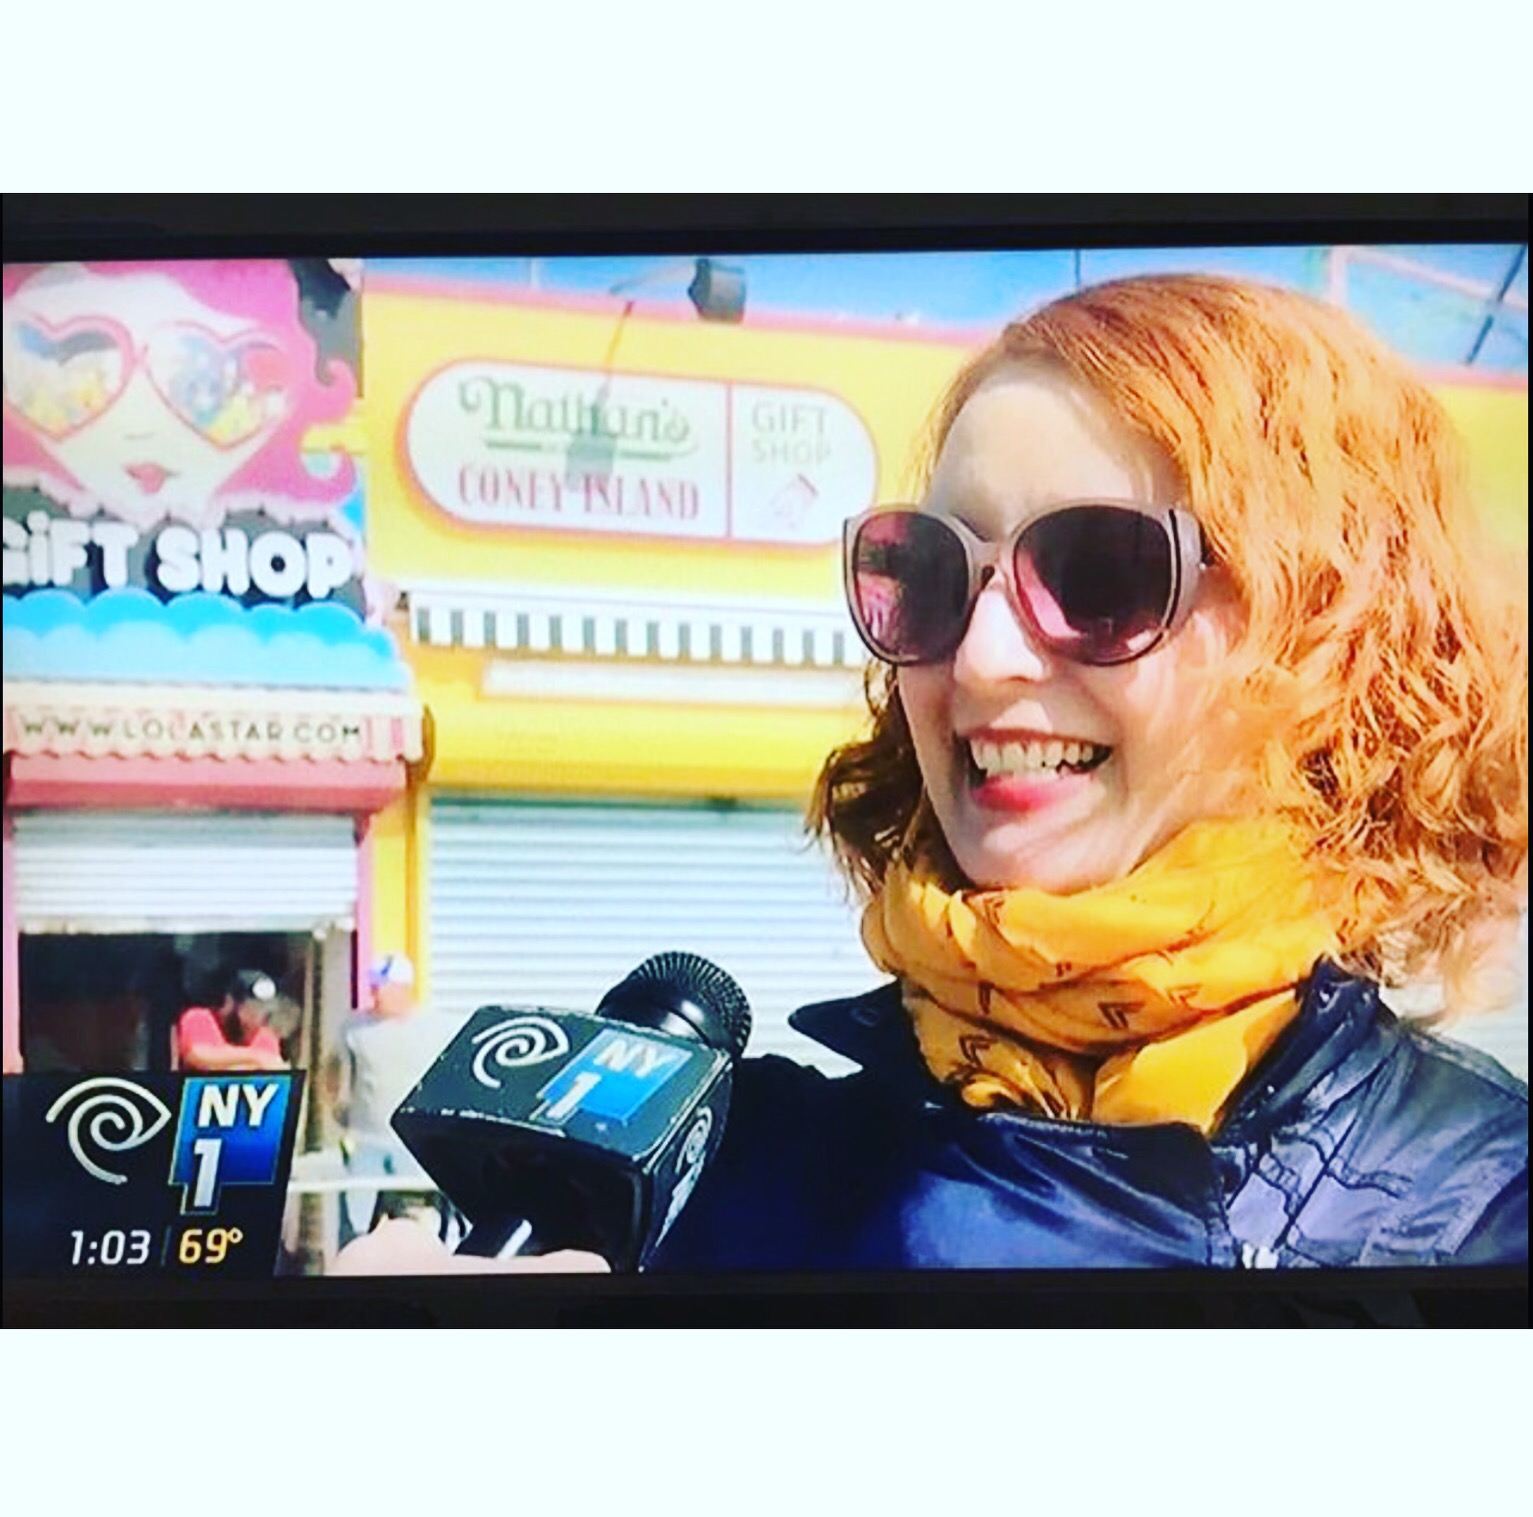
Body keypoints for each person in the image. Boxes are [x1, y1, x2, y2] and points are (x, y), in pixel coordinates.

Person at [331, 273, 1527, 1276]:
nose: (983, 658)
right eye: (932, 573)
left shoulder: (1481, 1209)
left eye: (1100, 572)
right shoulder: (725, 1177)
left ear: (1330, 640)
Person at [327, 954, 458, 1241]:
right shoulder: (355, 1028)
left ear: (403, 988)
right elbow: (333, 1070)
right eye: (373, 986)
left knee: (422, 1219)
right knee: (358, 1219)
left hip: (414, 1144)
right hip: (367, 1142)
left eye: (382, 987)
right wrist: (337, 1107)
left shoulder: (438, 1027)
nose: (375, 994)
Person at [174, 969, 289, 1074]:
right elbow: (199, 1056)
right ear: (230, 1002)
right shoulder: (199, 1017)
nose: (260, 1015)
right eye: (254, 1007)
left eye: (265, 1009)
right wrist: (257, 1058)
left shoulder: (265, 1035)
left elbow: (271, 1067)